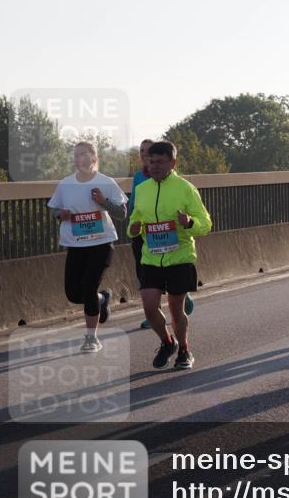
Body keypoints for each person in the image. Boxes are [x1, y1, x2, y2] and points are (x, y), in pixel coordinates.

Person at [128, 141, 213, 370]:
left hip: (179, 256)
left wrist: (189, 222)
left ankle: (184, 350)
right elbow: (135, 220)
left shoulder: (185, 188)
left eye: (159, 162)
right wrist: (133, 229)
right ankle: (167, 342)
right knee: (149, 305)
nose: (153, 166)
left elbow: (205, 224)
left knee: (176, 308)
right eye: (151, 161)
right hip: (151, 257)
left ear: (172, 162)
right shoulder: (141, 189)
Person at [47, 142, 127, 353]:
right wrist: (60, 215)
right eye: (76, 155)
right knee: (74, 293)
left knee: (88, 287)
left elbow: (122, 213)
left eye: (83, 154)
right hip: (76, 245)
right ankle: (102, 298)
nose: (79, 159)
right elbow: (53, 209)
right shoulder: (65, 184)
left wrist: (104, 201)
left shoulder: (106, 182)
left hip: (101, 243)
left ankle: (91, 339)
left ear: (93, 158)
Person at [129, 139, 194, 330]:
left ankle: (182, 296)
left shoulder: (176, 182)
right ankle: (153, 313)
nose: (144, 155)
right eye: (143, 152)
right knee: (146, 279)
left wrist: (187, 222)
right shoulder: (139, 178)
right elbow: (134, 203)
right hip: (146, 236)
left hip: (173, 242)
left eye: (148, 151)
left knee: (175, 301)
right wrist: (133, 225)